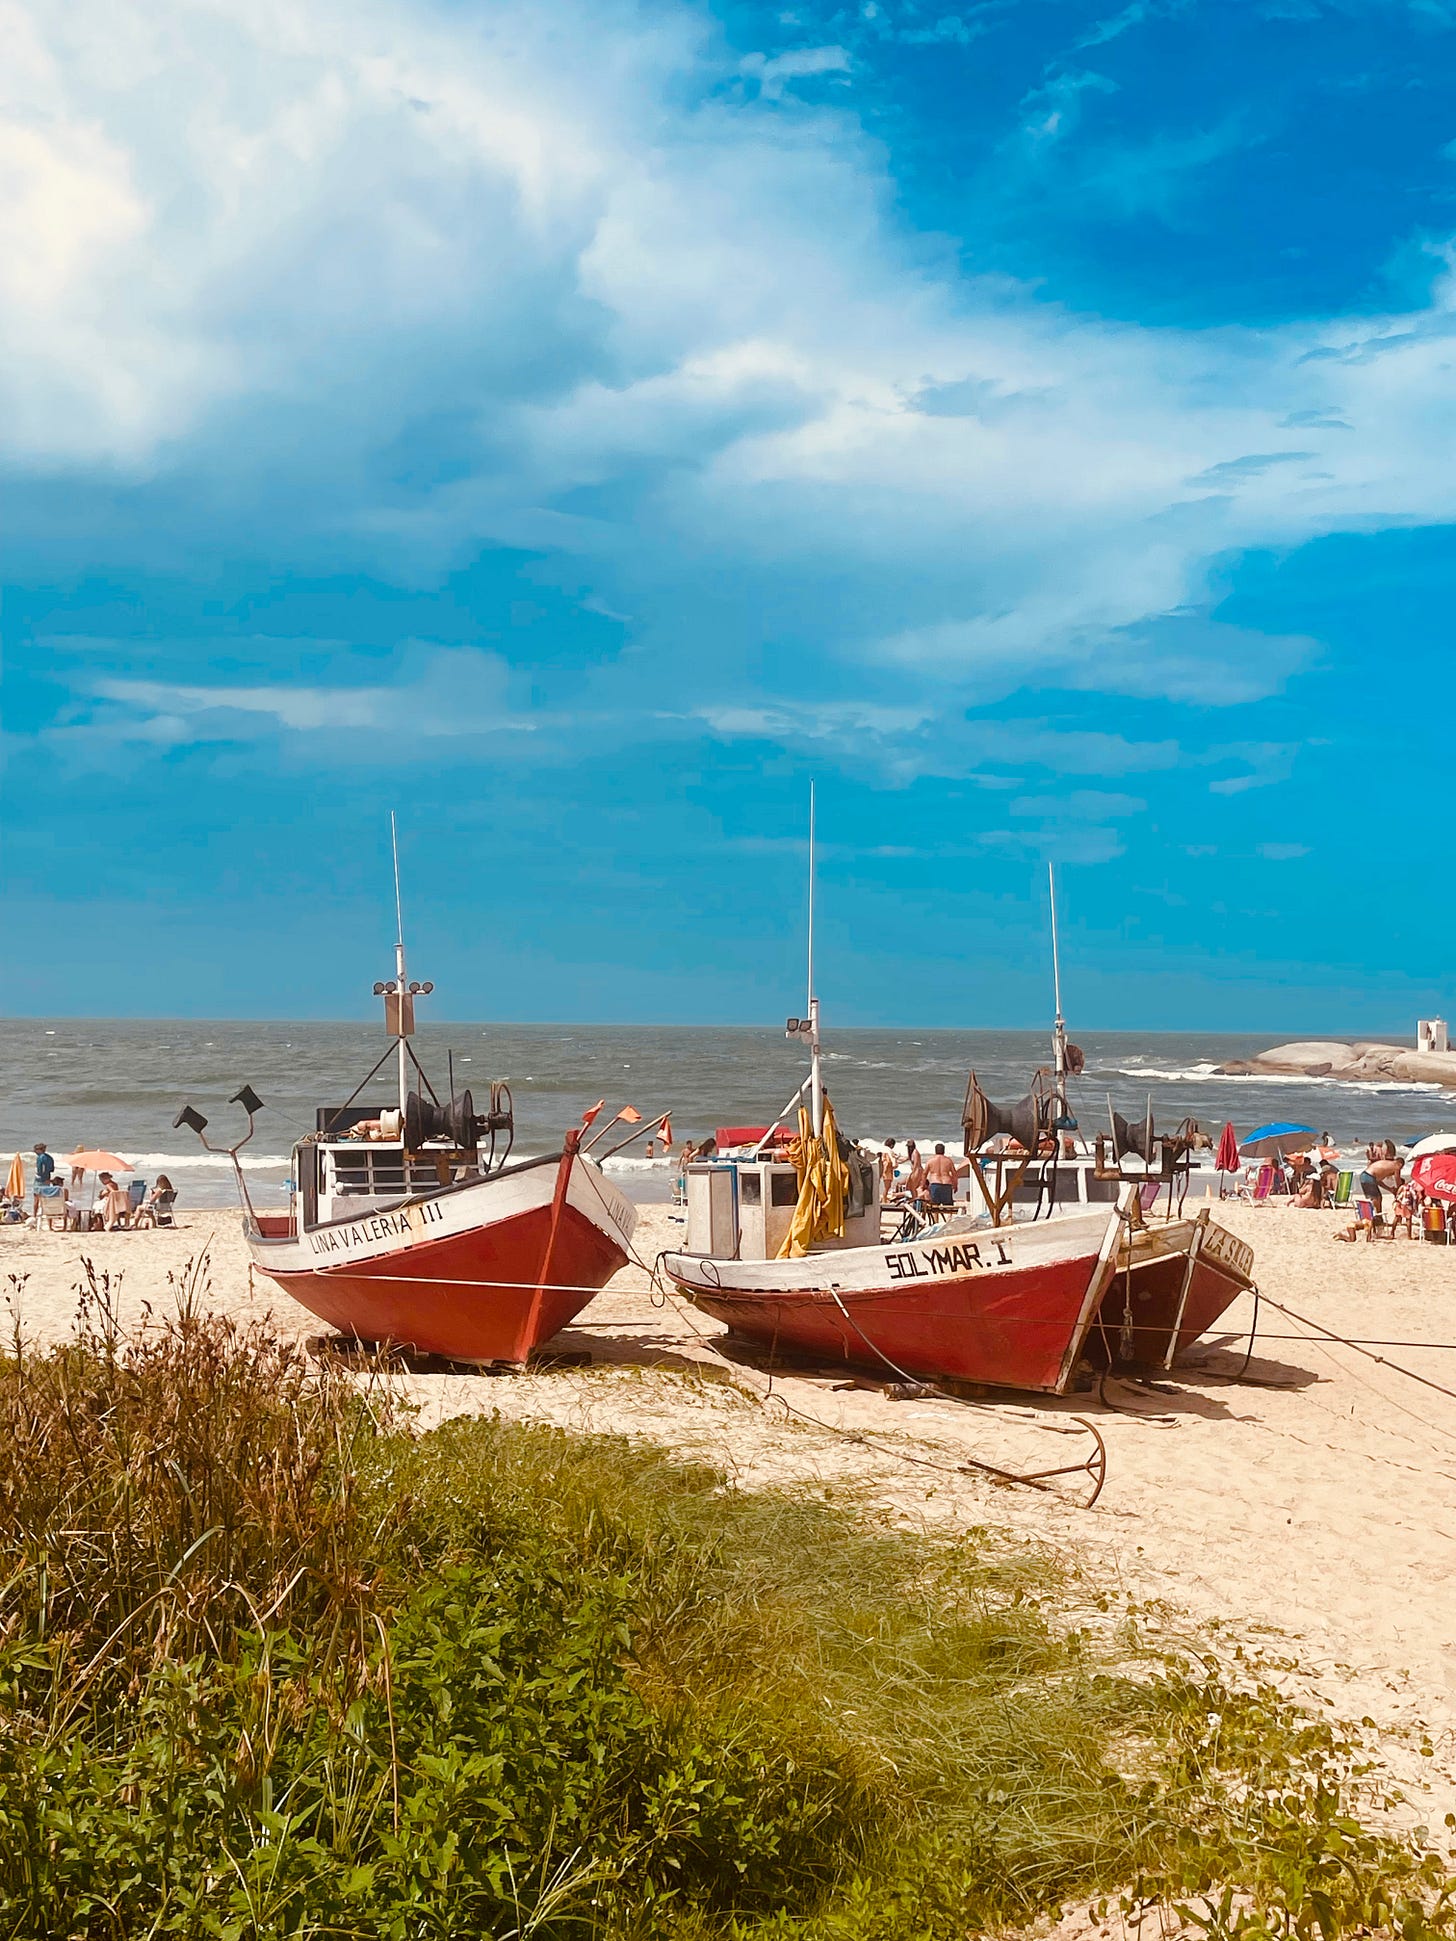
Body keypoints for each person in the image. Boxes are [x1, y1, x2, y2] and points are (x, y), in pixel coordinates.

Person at [924, 1143, 964, 1209]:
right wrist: (955, 1185)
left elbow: (924, 1174)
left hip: (935, 1184)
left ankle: (935, 1220)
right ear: (944, 1151)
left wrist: (923, 1185)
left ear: (935, 1151)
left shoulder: (930, 1161)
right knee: (949, 1207)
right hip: (947, 1185)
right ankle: (949, 1219)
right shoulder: (948, 1161)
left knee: (934, 1207)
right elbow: (954, 1174)